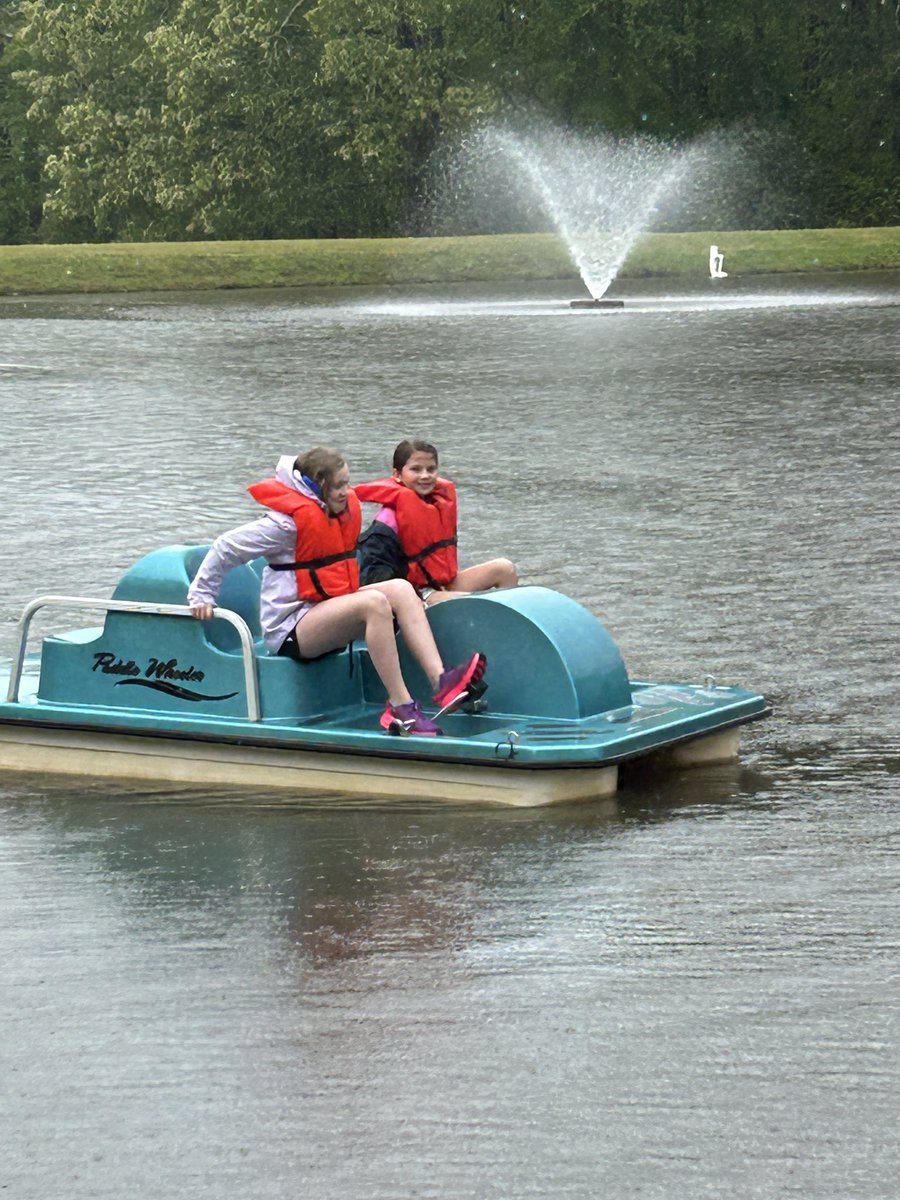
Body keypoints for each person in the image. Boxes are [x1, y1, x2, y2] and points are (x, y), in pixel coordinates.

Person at [187, 447, 486, 737]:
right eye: (338, 486)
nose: (346, 492)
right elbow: (226, 547)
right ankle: (401, 706)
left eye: (347, 483)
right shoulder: (283, 526)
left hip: (327, 610)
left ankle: (442, 682)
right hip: (291, 629)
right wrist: (202, 594)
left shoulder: (336, 513)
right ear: (316, 486)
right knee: (374, 604)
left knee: (402, 588)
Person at [355, 439, 518, 605]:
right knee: (471, 601)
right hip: (415, 595)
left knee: (505, 569)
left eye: (431, 469)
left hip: (440, 584)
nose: (425, 476)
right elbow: (375, 577)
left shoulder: (437, 505)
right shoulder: (387, 523)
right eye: (416, 469)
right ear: (397, 475)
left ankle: (513, 617)